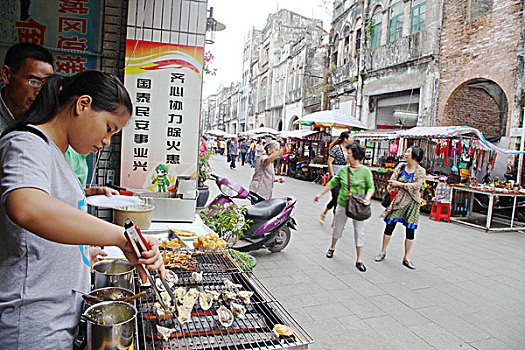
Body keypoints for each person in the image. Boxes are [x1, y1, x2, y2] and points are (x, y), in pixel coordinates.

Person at [0, 70, 165, 348]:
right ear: (83, 105)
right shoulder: (26, 143)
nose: (106, 142)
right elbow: (26, 207)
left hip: (56, 317)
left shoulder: (57, 154)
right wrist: (120, 237)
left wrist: (82, 252)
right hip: (31, 324)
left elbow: (40, 234)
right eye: (109, 128)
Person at [314, 143, 374, 272]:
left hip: (358, 205)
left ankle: (359, 259)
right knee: (338, 228)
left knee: (359, 231)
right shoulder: (343, 170)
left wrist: (368, 198)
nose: (347, 156)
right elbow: (332, 183)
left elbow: (371, 187)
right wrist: (320, 194)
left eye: (349, 154)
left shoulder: (365, 171)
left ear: (356, 156)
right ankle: (332, 247)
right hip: (343, 203)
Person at [374, 146, 426, 270]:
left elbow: (417, 186)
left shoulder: (420, 171)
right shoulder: (401, 167)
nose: (406, 153)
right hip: (398, 200)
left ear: (415, 155)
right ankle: (382, 251)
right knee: (389, 225)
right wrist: (393, 186)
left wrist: (400, 184)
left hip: (412, 202)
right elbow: (392, 180)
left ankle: (406, 258)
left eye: (408, 151)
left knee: (410, 230)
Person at [0, 42, 53, 129]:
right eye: (34, 82)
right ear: (6, 75)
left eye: (45, 84)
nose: (39, 92)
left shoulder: (47, 119)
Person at [319, 132, 351, 226]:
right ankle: (332, 218)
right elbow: (329, 162)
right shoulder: (336, 148)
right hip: (335, 175)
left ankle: (326, 214)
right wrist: (332, 176)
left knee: (339, 198)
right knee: (336, 197)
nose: (351, 139)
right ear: (345, 139)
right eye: (350, 137)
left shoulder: (349, 149)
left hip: (344, 176)